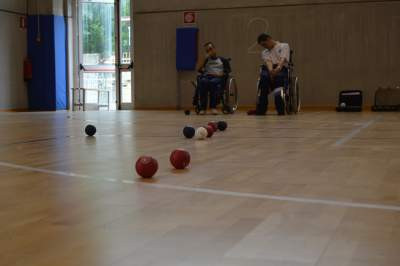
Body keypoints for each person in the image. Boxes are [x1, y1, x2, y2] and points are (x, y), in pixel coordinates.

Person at [250, 33, 290, 116]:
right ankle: (261, 109)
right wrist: (271, 71)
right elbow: (268, 62)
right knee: (263, 80)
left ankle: (280, 108)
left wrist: (278, 69)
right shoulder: (265, 52)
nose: (264, 47)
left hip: (281, 67)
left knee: (279, 80)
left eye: (264, 44)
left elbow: (283, 59)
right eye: (262, 45)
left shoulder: (284, 46)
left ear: (269, 39)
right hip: (270, 69)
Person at [196, 42, 231, 115]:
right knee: (202, 82)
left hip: (218, 77)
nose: (210, 51)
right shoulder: (206, 60)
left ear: (214, 49)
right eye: (207, 51)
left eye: (210, 49)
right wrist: (204, 58)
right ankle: (203, 108)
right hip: (207, 77)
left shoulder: (223, 60)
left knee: (213, 83)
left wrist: (219, 74)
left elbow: (227, 72)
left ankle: (213, 107)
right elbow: (199, 69)